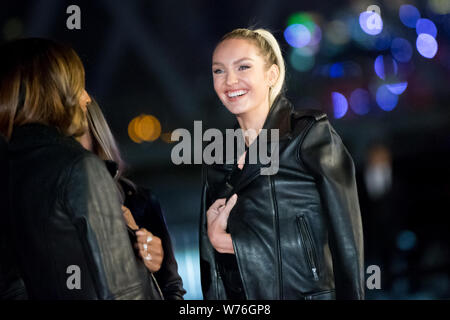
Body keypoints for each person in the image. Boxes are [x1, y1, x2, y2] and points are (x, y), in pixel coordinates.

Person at [200, 28, 364, 300]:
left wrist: (232, 244)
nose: (230, 80)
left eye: (243, 67)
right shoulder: (219, 159)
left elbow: (347, 244)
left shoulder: (309, 137)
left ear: (271, 75)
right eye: (219, 71)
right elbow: (215, 271)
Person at [0, 38, 154, 299]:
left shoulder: (11, 173)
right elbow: (124, 293)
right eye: (77, 86)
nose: (86, 99)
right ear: (52, 94)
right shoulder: (79, 168)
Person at [78, 100, 186, 300]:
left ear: (95, 134)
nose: (69, 148)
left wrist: (145, 257)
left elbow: (172, 287)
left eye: (76, 135)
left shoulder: (139, 200)